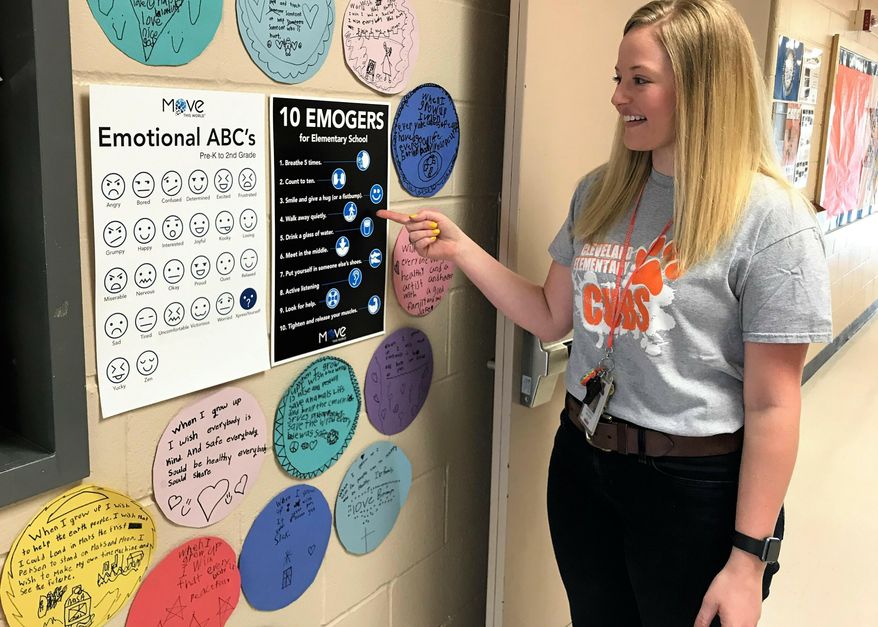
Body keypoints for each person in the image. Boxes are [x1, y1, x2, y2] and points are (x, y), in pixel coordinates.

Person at [379, 0, 832, 625]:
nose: (618, 97)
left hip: (693, 489)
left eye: (639, 80)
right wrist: (461, 250)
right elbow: (548, 315)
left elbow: (774, 403)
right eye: (617, 79)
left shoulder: (771, 221)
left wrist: (747, 560)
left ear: (702, 87)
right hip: (584, 465)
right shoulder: (601, 191)